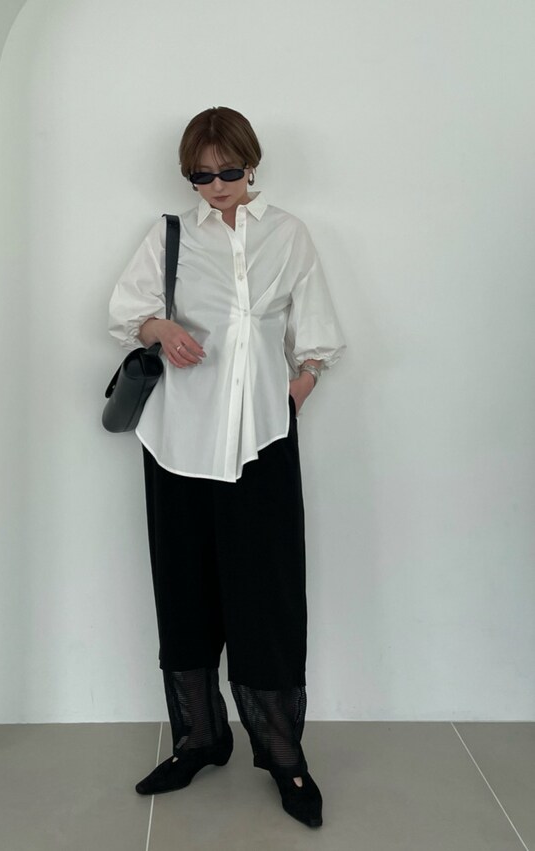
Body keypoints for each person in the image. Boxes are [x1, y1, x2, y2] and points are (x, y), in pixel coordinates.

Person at [107, 106, 346, 829]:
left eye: (229, 171)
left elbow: (316, 329)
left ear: (252, 163)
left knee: (267, 597)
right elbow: (124, 310)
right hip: (178, 438)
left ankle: (283, 754)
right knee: (184, 591)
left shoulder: (289, 234)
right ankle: (199, 739)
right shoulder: (170, 234)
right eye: (201, 175)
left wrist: (300, 385)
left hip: (262, 438)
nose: (216, 186)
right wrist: (160, 325)